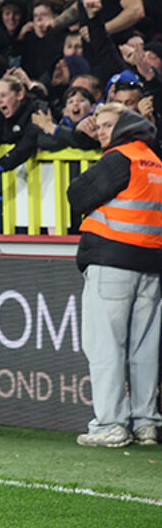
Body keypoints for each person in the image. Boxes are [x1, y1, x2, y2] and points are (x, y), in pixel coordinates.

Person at [66, 103, 162, 447]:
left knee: (105, 346)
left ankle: (110, 424)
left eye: (108, 125)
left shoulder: (120, 158)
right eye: (100, 126)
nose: (102, 131)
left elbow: (76, 194)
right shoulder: (155, 160)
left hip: (113, 261)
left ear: (126, 126)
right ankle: (146, 423)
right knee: (145, 350)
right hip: (152, 265)